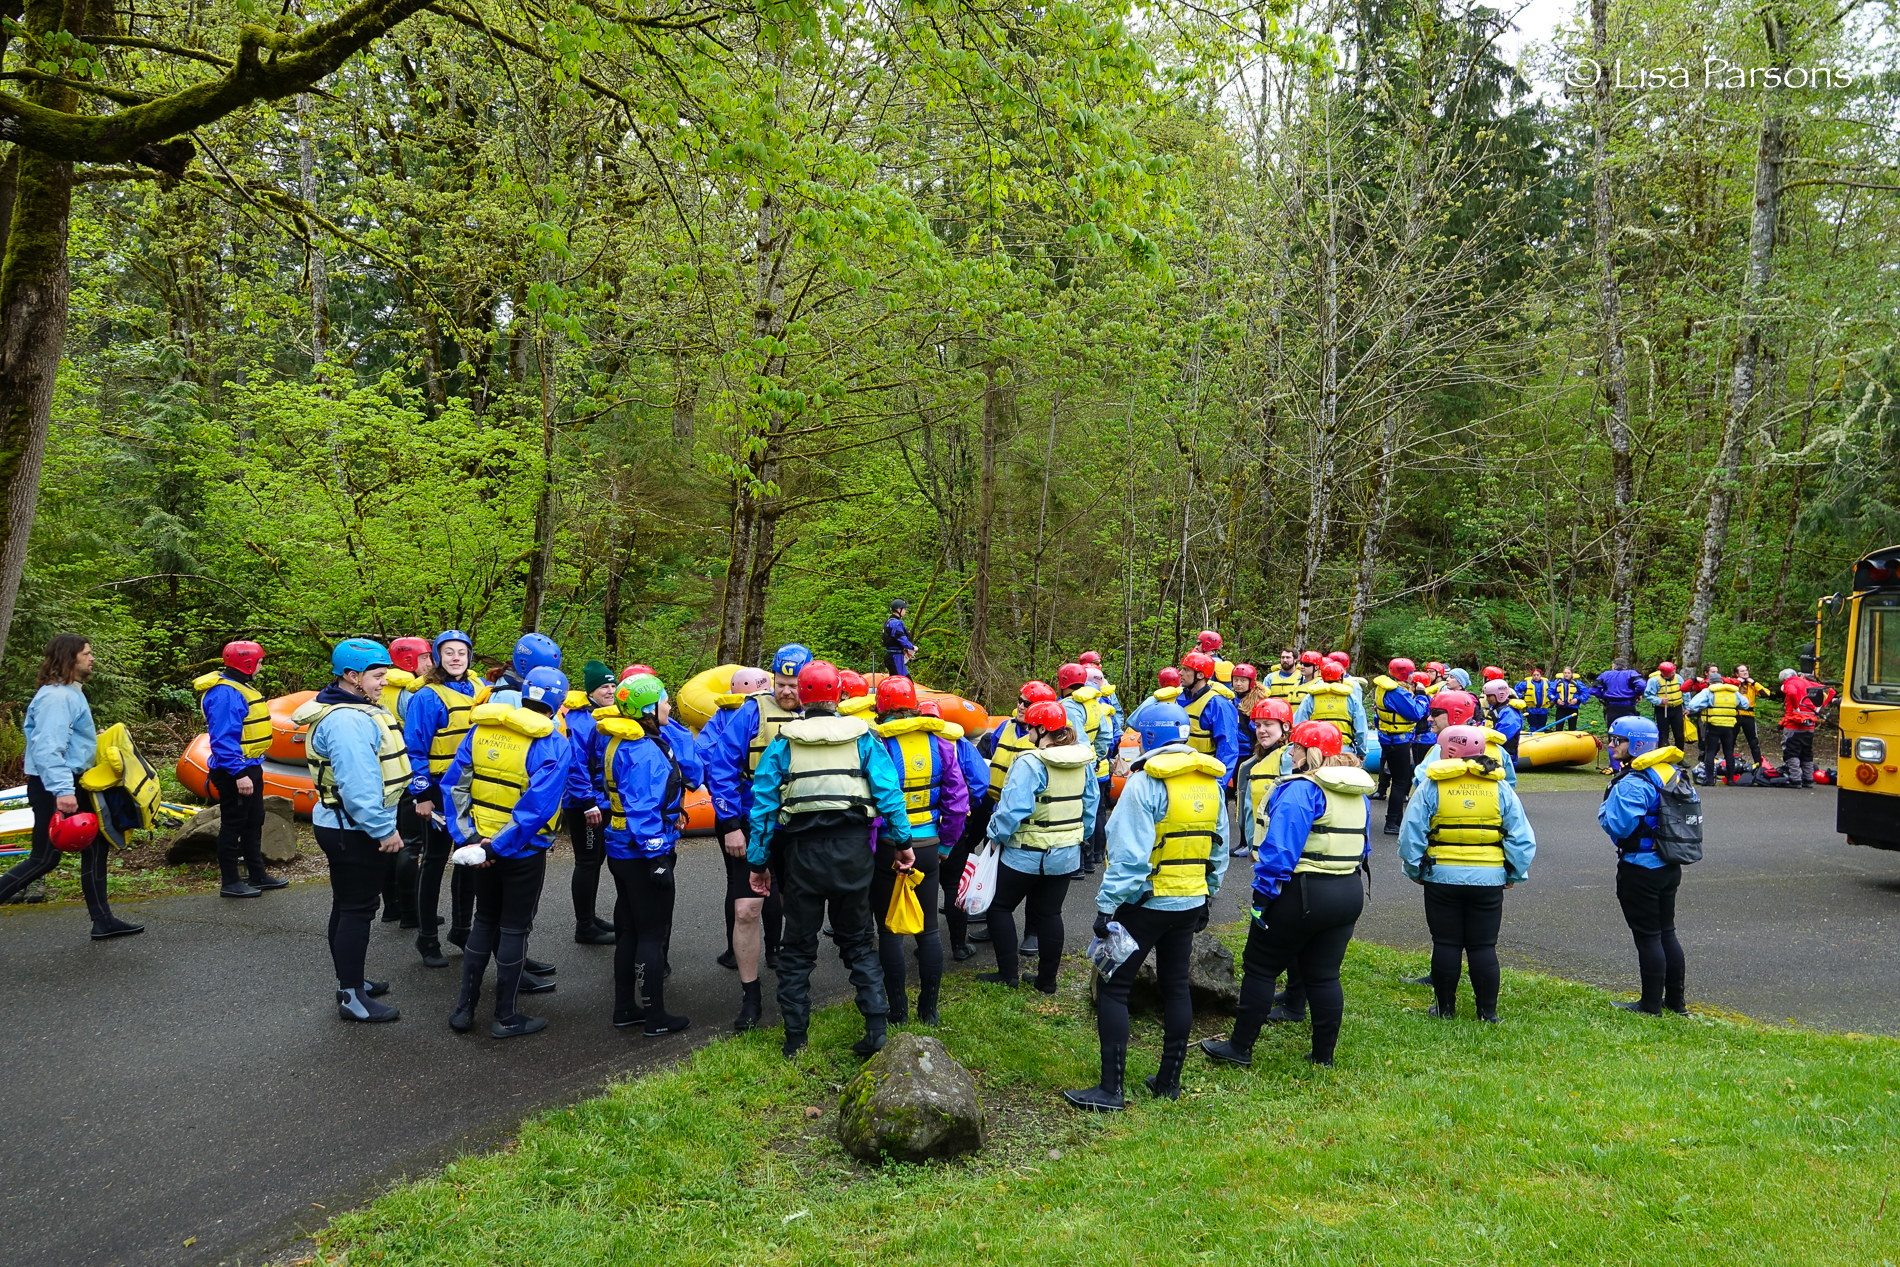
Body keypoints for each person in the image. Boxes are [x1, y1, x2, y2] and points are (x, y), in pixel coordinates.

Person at [1064, 701, 1228, 1111]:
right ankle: (1168, 1082)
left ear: (1151, 737)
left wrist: (1106, 906)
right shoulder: (1210, 781)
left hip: (1145, 903)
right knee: (1175, 986)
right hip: (1189, 901)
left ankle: (1110, 1091)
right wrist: (1207, 892)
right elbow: (1218, 848)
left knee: (1112, 986)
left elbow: (1129, 857)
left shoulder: (1143, 783)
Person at [746, 660, 912, 1058]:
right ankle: (876, 1029)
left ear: (802, 696)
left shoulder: (783, 743)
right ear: (838, 695)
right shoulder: (865, 738)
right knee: (857, 942)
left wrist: (758, 863)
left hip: (803, 856)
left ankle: (795, 1039)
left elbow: (764, 808)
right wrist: (903, 842)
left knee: (798, 947)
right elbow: (890, 793)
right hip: (855, 853)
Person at [1201, 721, 1372, 1070]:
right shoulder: (1357, 791)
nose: (1290, 754)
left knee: (1260, 968)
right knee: (1324, 974)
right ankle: (1323, 1056)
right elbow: (1363, 846)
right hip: (1348, 891)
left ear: (1311, 754)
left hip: (1301, 893)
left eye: (1295, 748)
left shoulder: (1301, 790)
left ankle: (1240, 1048)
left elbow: (1279, 853)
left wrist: (1262, 898)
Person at [442, 664, 574, 1038]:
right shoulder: (553, 743)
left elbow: (455, 787)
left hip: (479, 845)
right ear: (559, 702)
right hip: (520, 851)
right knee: (514, 927)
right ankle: (505, 1016)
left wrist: (470, 839)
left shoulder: (481, 730)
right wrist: (498, 847)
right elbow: (538, 807)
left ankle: (464, 1010)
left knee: (484, 920)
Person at [294, 639, 412, 1021]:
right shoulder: (347, 720)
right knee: (358, 911)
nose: (384, 682)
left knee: (346, 906)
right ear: (352, 676)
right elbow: (359, 787)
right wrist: (383, 829)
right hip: (354, 829)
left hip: (342, 825)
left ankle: (351, 981)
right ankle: (352, 997)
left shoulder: (347, 708)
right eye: (378, 676)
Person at [0, 635, 140, 938]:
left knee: (96, 848)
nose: (92, 659)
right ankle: (103, 919)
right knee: (44, 858)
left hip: (72, 782)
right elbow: (48, 747)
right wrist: (63, 790)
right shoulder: (57, 697)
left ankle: (103, 920)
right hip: (56, 786)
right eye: (86, 654)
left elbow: (69, 738)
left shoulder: (70, 693)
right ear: (69, 658)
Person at [1397, 724, 1537, 1022]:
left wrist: (1414, 869)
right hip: (1489, 880)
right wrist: (1512, 873)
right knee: (1483, 946)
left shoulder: (1431, 785)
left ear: (1447, 750)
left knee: (1446, 943)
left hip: (1441, 878)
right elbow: (1522, 839)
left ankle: (1445, 1010)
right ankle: (1487, 1013)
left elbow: (1411, 835)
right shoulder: (1499, 787)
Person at [708, 646, 810, 1026]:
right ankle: (751, 998)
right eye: (781, 684)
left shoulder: (821, 715)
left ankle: (795, 987)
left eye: (794, 685)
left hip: (801, 827)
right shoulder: (750, 712)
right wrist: (731, 824)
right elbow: (721, 768)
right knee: (746, 908)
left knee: (801, 905)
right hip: (756, 824)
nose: (787, 692)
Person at [977, 697, 1099, 994]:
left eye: (1030, 727)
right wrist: (1079, 837)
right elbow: (1091, 805)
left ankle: (1008, 975)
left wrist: (994, 835)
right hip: (1065, 854)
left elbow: (1011, 812)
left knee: (999, 907)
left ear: (1042, 730)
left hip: (1025, 853)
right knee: (1049, 914)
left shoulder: (1030, 762)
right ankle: (1047, 981)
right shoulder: (1083, 762)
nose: (1026, 730)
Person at [869, 676, 969, 1026]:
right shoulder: (942, 744)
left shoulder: (877, 743)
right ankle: (929, 1010)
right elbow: (958, 801)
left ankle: (897, 1011)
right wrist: (945, 844)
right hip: (928, 847)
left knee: (889, 930)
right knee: (927, 930)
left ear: (882, 708)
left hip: (887, 847)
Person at [597, 672, 691, 1036]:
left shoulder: (619, 741)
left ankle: (625, 1009)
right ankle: (655, 1017)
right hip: (642, 855)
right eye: (665, 700)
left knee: (629, 931)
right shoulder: (643, 751)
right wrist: (656, 860)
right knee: (651, 933)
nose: (669, 706)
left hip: (620, 850)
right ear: (649, 708)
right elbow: (642, 811)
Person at [1597, 716, 1692, 1015]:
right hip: (1669, 865)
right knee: (1667, 932)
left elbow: (1618, 826)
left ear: (1636, 744)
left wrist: (1604, 807)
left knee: (1649, 937)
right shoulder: (1672, 772)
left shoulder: (1634, 782)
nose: (1612, 746)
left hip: (1640, 868)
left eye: (1618, 740)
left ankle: (1650, 1005)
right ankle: (1676, 1003)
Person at [962, 680, 1057, 951]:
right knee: (994, 871)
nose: (1020, 706)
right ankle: (993, 923)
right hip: (995, 808)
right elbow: (985, 755)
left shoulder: (1050, 739)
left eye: (1027, 703)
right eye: (1020, 700)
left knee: (1032, 881)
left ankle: (1032, 933)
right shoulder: (1004, 727)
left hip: (1028, 818)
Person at [403, 629, 477, 968]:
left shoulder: (479, 691)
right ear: (437, 657)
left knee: (468, 858)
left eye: (461, 652)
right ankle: (426, 937)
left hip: (470, 788)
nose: (456, 658)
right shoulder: (428, 696)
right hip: (436, 788)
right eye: (449, 652)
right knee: (434, 860)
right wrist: (421, 795)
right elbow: (414, 747)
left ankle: (461, 930)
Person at [195, 639, 286, 899]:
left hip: (250, 766)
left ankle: (257, 874)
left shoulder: (240, 687)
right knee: (233, 824)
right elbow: (223, 739)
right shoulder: (225, 694)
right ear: (247, 663)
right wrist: (238, 773)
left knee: (254, 819)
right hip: (233, 770)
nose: (261, 667)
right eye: (259, 662)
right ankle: (230, 881)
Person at [703, 666, 779, 973]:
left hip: (734, 815)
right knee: (773, 881)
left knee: (737, 882)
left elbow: (706, 758)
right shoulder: (775, 713)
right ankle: (774, 951)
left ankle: (735, 952)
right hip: (772, 814)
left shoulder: (722, 717)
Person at [378, 636, 434, 925]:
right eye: (426, 658)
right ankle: (411, 913)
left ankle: (391, 906)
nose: (430, 663)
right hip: (406, 774)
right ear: (412, 661)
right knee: (410, 843)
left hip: (383, 776)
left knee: (390, 840)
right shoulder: (412, 693)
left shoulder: (380, 686)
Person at [563, 659, 619, 946]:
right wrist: (587, 802)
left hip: (602, 800)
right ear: (590, 690)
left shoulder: (607, 714)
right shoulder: (579, 719)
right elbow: (575, 765)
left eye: (612, 685)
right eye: (603, 686)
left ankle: (591, 916)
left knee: (597, 859)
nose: (609, 691)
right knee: (586, 861)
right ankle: (584, 927)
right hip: (583, 802)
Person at [1057, 661, 1114, 877]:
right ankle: (1089, 860)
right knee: (1093, 810)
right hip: (1092, 762)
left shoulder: (1069, 706)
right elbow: (1105, 735)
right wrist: (1098, 756)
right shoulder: (1094, 703)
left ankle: (1078, 864)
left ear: (1063, 682)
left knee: (1075, 812)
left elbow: (1076, 738)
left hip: (1078, 764)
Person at [1370, 657, 1430, 834]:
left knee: (1399, 780)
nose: (1413, 676)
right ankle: (1391, 823)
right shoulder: (1397, 692)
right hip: (1398, 741)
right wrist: (1420, 695)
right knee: (1400, 782)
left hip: (1389, 739)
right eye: (1411, 673)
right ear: (1404, 674)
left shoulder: (1384, 687)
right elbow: (1415, 713)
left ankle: (1397, 820)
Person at [1234, 698, 1292, 860]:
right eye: (1258, 725)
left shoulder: (1289, 757)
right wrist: (1253, 845)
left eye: (1268, 724)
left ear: (1285, 726)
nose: (1261, 730)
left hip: (1281, 847)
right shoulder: (1258, 758)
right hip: (1263, 847)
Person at [1178, 651, 1240, 786]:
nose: (1180, 673)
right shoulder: (1179, 698)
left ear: (1200, 675)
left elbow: (1228, 749)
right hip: (1181, 776)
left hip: (1206, 780)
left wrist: (1217, 785)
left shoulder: (1219, 704)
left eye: (1186, 670)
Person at [1289, 659, 1369, 761]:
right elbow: (1361, 730)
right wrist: (1361, 751)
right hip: (1343, 749)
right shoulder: (1351, 698)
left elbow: (1299, 724)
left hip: (1317, 750)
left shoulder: (1311, 697)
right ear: (1341, 677)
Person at [1686, 669, 1750, 785]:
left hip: (1713, 725)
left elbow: (1692, 705)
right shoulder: (1733, 692)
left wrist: (1705, 706)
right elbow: (1745, 705)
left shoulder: (1708, 692)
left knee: (1710, 752)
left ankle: (1710, 780)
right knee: (1729, 752)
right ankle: (1730, 780)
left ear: (1710, 683)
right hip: (1729, 726)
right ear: (1721, 682)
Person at [1777, 667, 1831, 787]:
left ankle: (1795, 779)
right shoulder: (1807, 682)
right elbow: (1830, 691)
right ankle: (1808, 779)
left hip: (1793, 724)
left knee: (1791, 751)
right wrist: (1819, 707)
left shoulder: (1789, 683)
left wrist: (1796, 707)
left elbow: (1791, 692)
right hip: (1810, 723)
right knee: (1806, 751)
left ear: (1785, 679)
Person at [1645, 661, 1688, 753]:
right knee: (1663, 735)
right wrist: (1660, 701)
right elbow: (1648, 695)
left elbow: (1685, 692)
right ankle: (1663, 757)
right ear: (1664, 673)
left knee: (1679, 735)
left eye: (1673, 671)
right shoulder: (1654, 681)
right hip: (1662, 709)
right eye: (1671, 673)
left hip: (1677, 708)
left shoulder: (1678, 678)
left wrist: (1687, 707)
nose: (1673, 674)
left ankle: (1679, 757)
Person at [1732, 664, 1768, 769]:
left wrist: (1754, 683)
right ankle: (1728, 763)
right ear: (1736, 674)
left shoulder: (1752, 685)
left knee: (1753, 741)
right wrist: (1738, 682)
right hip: (1735, 715)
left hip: (1749, 716)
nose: (1745, 672)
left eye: (1746, 670)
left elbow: (1766, 694)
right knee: (1730, 740)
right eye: (1742, 671)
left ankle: (1758, 764)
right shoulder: (1733, 684)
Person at [1482, 678, 1525, 762]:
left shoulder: (1509, 713)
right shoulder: (1495, 710)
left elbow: (1503, 736)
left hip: (1504, 755)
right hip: (1493, 752)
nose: (1487, 699)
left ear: (1499, 695)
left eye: (1489, 696)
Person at [1594, 659, 1645, 729]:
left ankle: (1612, 739)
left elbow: (1594, 689)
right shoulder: (1631, 673)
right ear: (1625, 667)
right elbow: (1641, 685)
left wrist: (1602, 697)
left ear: (1614, 666)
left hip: (1611, 706)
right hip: (1628, 706)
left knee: (1613, 729)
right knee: (1628, 728)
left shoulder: (1605, 675)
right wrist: (1638, 694)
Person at [882, 599, 917, 677]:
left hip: (894, 656)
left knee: (905, 681)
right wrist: (912, 647)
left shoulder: (889, 621)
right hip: (895, 657)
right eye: (904, 609)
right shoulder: (896, 623)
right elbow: (901, 638)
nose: (905, 611)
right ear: (898, 609)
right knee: (904, 683)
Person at [1550, 667, 1589, 731]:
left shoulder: (1577, 683)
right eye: (1565, 673)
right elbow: (1550, 692)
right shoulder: (1557, 682)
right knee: (1559, 728)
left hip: (1572, 708)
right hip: (1561, 708)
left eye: (1568, 673)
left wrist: (1577, 699)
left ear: (1572, 674)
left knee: (1572, 728)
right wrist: (1556, 700)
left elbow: (1586, 693)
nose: (1566, 674)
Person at [1517, 667, 1553, 733]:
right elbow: (1517, 689)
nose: (1536, 677)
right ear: (1532, 676)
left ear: (1541, 675)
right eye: (1534, 675)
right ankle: (1533, 737)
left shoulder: (1547, 683)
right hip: (1531, 709)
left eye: (1537, 675)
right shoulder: (1526, 683)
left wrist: (1553, 698)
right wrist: (1521, 697)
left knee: (1542, 726)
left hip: (1543, 709)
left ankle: (1541, 739)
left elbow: (1555, 688)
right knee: (1533, 726)